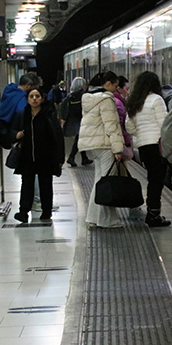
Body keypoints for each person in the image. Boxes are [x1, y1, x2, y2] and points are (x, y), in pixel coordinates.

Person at [78, 71, 125, 229]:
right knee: (107, 182)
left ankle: (93, 217)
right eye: (115, 86)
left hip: (93, 145)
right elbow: (111, 125)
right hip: (105, 144)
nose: (115, 89)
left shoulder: (88, 97)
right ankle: (107, 220)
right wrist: (118, 148)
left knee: (100, 181)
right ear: (108, 84)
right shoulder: (105, 99)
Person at [125, 71, 171, 227]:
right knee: (157, 181)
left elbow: (129, 127)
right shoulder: (156, 100)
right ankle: (153, 214)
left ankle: (152, 212)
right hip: (157, 145)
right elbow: (165, 124)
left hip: (143, 146)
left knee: (152, 179)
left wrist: (142, 132)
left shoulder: (134, 102)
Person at [11, 89, 65, 223]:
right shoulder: (23, 115)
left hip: (46, 156)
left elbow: (58, 136)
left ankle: (47, 211)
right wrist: (16, 135)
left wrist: (60, 157)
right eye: (31, 96)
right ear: (27, 99)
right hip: (27, 156)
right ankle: (23, 211)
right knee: (26, 185)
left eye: (37, 96)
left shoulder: (49, 115)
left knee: (46, 184)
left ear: (42, 98)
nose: (34, 99)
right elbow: (12, 131)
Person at [0, 72, 41, 149]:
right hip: (11, 132)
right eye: (34, 88)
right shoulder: (22, 101)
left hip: (0, 126)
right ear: (28, 85)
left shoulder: (9, 89)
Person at [59, 77, 92, 167]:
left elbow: (63, 106)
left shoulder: (71, 95)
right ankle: (71, 157)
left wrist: (63, 118)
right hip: (80, 120)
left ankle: (84, 158)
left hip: (73, 120)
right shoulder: (82, 95)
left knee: (80, 138)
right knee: (79, 139)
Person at [113, 76, 133, 162]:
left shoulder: (116, 100)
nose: (128, 92)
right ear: (119, 89)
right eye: (127, 89)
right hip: (120, 142)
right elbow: (121, 125)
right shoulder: (118, 103)